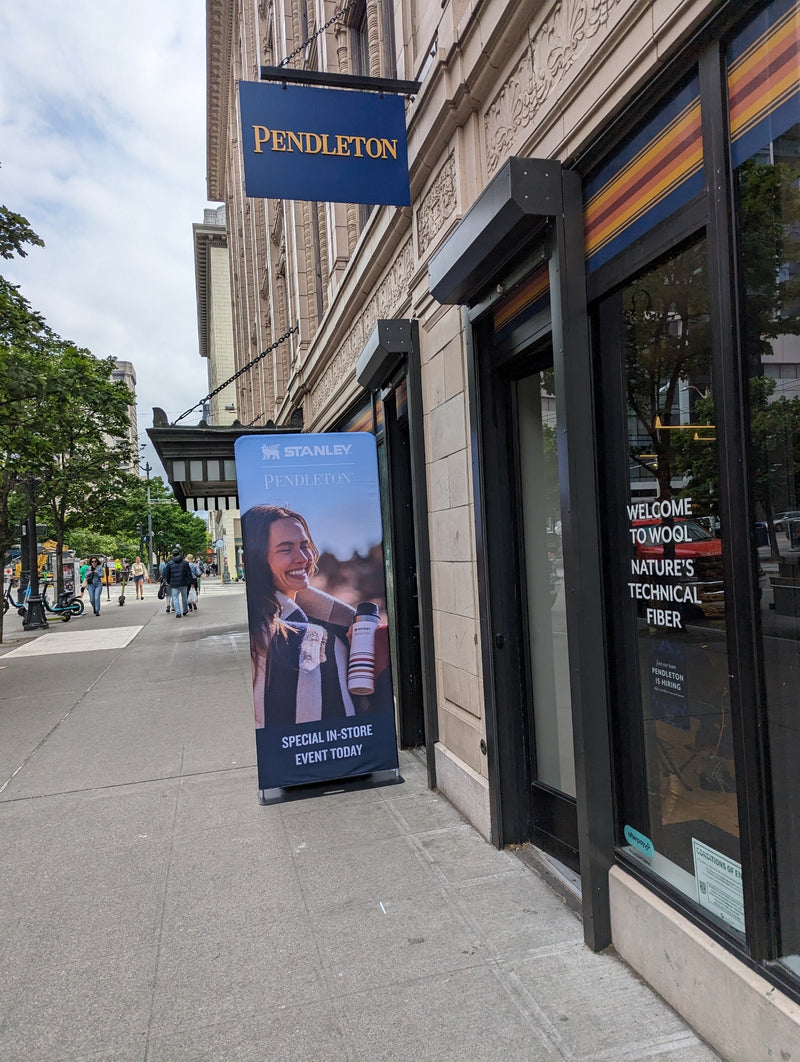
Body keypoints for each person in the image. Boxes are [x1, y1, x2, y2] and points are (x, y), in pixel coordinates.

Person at [241, 504, 392, 728]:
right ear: (255, 559)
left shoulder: (330, 626)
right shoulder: (306, 641)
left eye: (305, 545)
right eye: (285, 549)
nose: (302, 557)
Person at [162, 547, 192, 619]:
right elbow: (189, 573)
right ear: (179, 554)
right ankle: (185, 610)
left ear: (173, 555)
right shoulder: (185, 563)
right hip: (183, 582)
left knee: (175, 597)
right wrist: (190, 582)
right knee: (184, 596)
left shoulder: (170, 564)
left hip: (174, 583)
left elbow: (167, 574)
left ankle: (178, 612)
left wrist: (169, 582)